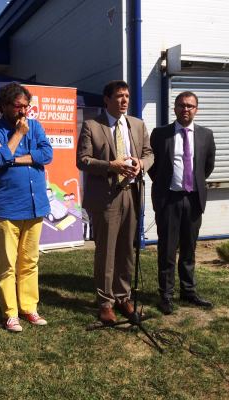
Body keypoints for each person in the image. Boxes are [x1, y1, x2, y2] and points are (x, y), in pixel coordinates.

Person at [76, 80, 154, 324]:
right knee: (107, 252)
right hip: (106, 198)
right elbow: (83, 160)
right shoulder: (92, 126)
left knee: (126, 250)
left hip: (131, 194)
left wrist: (141, 164)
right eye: (119, 96)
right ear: (107, 99)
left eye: (127, 96)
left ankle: (123, 297)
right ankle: (105, 303)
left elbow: (149, 153)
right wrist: (111, 166)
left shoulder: (137, 125)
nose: (124, 100)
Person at [0, 82, 53, 333]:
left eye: (26, 106)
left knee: (30, 261)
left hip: (35, 206)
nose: (23, 111)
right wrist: (19, 136)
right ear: (3, 106)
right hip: (6, 208)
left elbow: (47, 155)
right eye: (18, 106)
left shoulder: (36, 126)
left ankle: (29, 308)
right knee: (8, 264)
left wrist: (15, 159)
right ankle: (10, 314)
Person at [148, 91, 216, 314]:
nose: (185, 109)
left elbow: (207, 166)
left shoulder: (206, 135)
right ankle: (166, 295)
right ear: (175, 108)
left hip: (193, 199)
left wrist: (194, 183)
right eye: (181, 105)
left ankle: (188, 291)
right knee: (167, 249)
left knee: (189, 248)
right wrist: (165, 184)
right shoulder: (160, 134)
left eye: (190, 106)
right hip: (169, 199)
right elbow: (153, 167)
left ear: (196, 109)